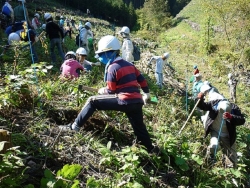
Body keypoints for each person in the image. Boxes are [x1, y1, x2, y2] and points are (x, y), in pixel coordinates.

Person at [59, 35, 157, 153]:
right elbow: (142, 80)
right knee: (140, 128)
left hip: (124, 100)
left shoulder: (112, 67)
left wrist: (103, 90)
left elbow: (111, 91)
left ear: (109, 53)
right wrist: (146, 93)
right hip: (136, 101)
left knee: (92, 101)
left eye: (101, 55)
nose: (100, 57)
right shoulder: (130, 65)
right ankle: (150, 149)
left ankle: (74, 127)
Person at [196, 84, 245, 168]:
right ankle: (209, 160)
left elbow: (242, 120)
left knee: (232, 159)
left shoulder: (234, 108)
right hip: (215, 131)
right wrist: (199, 99)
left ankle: (231, 172)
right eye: (220, 111)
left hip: (227, 136)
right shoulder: (214, 104)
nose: (222, 113)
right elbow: (202, 106)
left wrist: (231, 117)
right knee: (214, 146)